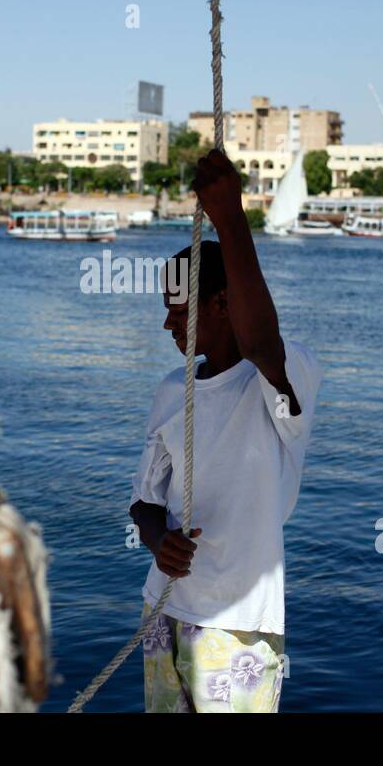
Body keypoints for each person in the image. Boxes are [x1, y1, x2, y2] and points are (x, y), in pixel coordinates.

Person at [128, 148, 322, 713]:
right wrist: (155, 541)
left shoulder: (288, 376)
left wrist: (231, 219)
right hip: (164, 608)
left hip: (238, 627)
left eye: (178, 309)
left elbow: (261, 343)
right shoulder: (171, 392)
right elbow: (143, 501)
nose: (167, 322)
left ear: (222, 304)